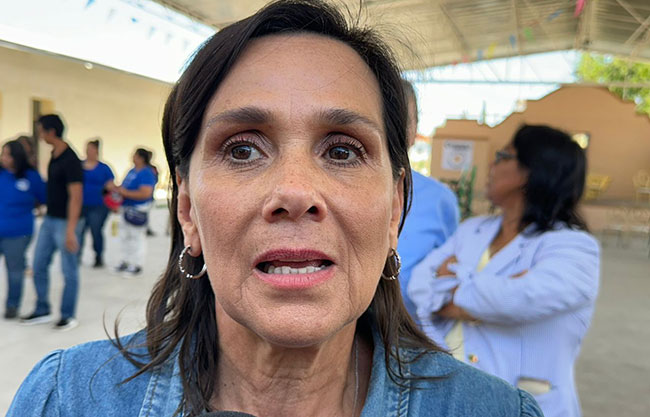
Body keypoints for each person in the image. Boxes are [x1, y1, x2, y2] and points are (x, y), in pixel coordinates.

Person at [8, 2, 543, 416]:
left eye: (342, 151)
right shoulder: (67, 398)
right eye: (242, 150)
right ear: (187, 208)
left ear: (394, 209)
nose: (294, 192)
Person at [408, 124, 600, 417]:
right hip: (453, 392)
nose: (491, 165)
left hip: (526, 401)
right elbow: (419, 285)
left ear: (532, 172)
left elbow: (520, 299)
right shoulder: (473, 229)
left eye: (503, 156)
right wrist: (489, 293)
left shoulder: (574, 247)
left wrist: (451, 287)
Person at [397, 79, 459, 318]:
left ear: (414, 131)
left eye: (404, 120)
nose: (393, 128)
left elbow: (448, 269)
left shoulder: (439, 199)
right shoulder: (332, 191)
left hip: (409, 332)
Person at [21, 114, 83, 331]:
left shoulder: (70, 159)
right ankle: (42, 309)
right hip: (50, 219)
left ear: (51, 132)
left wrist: (71, 230)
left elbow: (76, 196)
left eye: (41, 131)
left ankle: (68, 315)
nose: (40, 135)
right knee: (38, 264)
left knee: (69, 270)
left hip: (66, 223)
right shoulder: (54, 155)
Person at [0, 140, 46, 319]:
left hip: (18, 233)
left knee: (14, 271)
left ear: (17, 156)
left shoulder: (31, 176)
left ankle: (12, 306)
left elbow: (44, 197)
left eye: (8, 154)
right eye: (3, 153)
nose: (4, 158)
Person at [113, 148, 156, 277]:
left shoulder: (146, 173)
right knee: (124, 236)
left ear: (141, 158)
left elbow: (145, 193)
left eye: (135, 155)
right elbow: (124, 187)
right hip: (126, 207)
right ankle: (125, 261)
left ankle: (137, 264)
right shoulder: (131, 171)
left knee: (137, 237)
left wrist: (125, 193)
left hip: (138, 209)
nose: (132, 157)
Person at [78, 138, 115, 268]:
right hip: (80, 204)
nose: (88, 152)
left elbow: (111, 185)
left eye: (91, 149)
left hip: (98, 205)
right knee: (79, 231)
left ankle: (98, 256)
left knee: (96, 230)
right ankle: (76, 255)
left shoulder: (104, 168)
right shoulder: (79, 166)